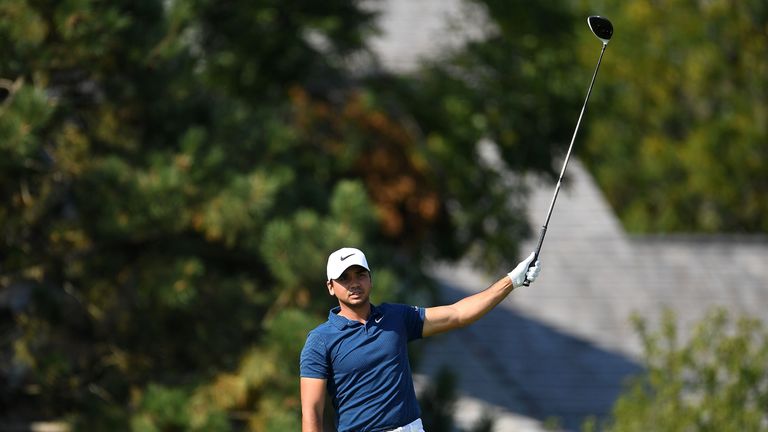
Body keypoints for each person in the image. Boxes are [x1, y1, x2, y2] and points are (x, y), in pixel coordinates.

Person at [300, 247, 541, 432]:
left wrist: (512, 280)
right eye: (344, 278)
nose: (354, 283)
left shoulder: (396, 317)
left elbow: (457, 314)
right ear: (331, 287)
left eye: (360, 275)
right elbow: (312, 412)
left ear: (370, 279)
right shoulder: (320, 340)